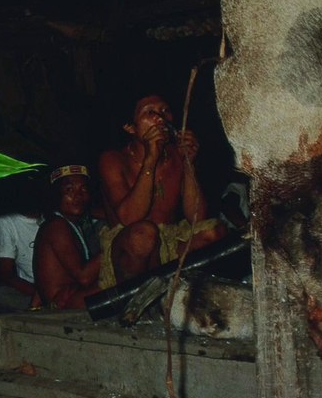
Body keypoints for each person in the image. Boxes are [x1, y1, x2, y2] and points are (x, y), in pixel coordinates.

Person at [96, 95, 225, 288]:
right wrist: (151, 159)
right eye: (150, 113)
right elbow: (130, 218)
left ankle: (180, 292)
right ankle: (139, 298)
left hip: (169, 243)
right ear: (130, 128)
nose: (161, 119)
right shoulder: (113, 160)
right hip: (129, 249)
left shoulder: (175, 154)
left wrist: (189, 163)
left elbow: (197, 218)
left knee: (215, 231)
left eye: (165, 111)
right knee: (144, 235)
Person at [32, 165, 103, 309]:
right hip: (64, 306)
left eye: (84, 189)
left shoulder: (70, 224)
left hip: (71, 298)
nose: (78, 195)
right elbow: (84, 277)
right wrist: (113, 244)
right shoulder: (57, 226)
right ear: (56, 195)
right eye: (69, 190)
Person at [0, 178, 44, 312]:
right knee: (1, 295)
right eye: (24, 188)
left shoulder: (53, 217)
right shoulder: (7, 222)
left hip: (61, 287)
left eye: (33, 187)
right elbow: (7, 274)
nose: (29, 192)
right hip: (31, 289)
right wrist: (41, 293)